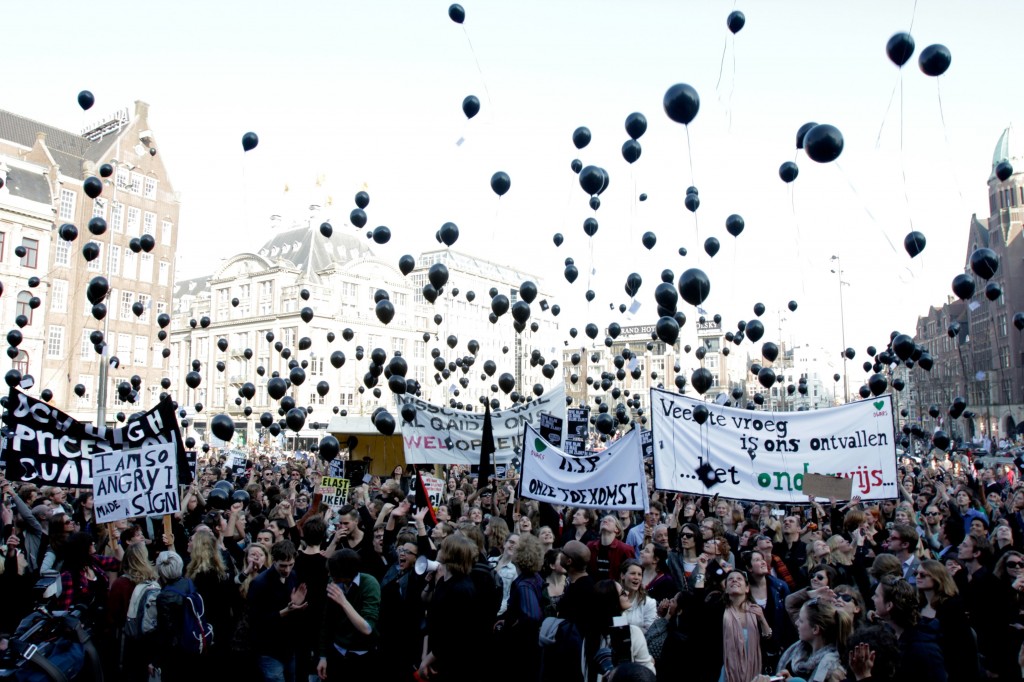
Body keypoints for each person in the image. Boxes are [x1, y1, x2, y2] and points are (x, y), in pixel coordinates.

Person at [419, 534, 486, 681]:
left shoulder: (462, 589)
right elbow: (432, 619)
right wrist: (426, 654)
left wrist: (427, 660)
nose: (438, 550)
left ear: (450, 555)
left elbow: (453, 635)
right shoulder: (444, 581)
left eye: (442, 548)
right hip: (434, 656)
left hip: (450, 663)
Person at [247, 540, 309, 682]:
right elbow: (256, 620)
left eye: (290, 565)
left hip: (289, 646)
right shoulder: (259, 584)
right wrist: (285, 611)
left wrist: (295, 606)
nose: (287, 570)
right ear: (273, 560)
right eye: (283, 566)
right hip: (269, 650)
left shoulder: (293, 575)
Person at [317, 549, 381, 680]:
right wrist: (323, 656)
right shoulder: (334, 583)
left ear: (345, 574)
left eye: (332, 573)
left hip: (361, 656)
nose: (329, 575)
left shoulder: (369, 584)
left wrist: (343, 601)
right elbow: (326, 621)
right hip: (337, 652)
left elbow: (367, 628)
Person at [871, 575, 948, 681]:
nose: (872, 598)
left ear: (889, 605)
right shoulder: (891, 634)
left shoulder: (923, 649)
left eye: (876, 596)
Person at [916, 559, 979, 682]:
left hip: (949, 667)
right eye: (916, 574)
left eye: (922, 575)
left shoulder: (952, 606)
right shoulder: (918, 604)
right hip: (926, 665)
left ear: (937, 577)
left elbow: (961, 646)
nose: (918, 577)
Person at [500, 533, 546, 680]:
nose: (513, 548)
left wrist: (513, 624)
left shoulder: (525, 584)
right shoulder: (534, 577)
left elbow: (532, 616)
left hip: (523, 649)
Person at [149, 551, 200, 682]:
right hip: (195, 640)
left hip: (177, 652)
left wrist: (156, 660)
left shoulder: (164, 597)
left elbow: (166, 632)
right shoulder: (190, 583)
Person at [775, 598, 850, 682]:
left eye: (801, 620)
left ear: (815, 629)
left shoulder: (832, 669)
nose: (796, 623)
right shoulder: (797, 654)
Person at [589, 515, 636, 581]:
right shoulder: (590, 546)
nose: (605, 521)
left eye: (610, 520)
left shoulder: (625, 549)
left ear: (616, 529)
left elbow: (631, 572)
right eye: (603, 520)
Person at [618, 558, 656, 632]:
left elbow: (650, 632)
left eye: (639, 574)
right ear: (622, 575)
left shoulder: (649, 603)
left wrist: (627, 629)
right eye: (633, 573)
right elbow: (615, 626)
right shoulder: (614, 598)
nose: (636, 578)